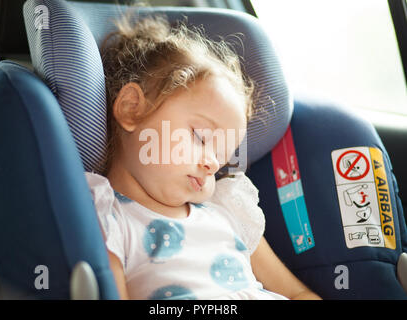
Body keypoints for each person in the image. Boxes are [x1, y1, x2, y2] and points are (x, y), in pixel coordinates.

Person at [85, 13, 321, 300]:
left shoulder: (227, 211)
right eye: (201, 137)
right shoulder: (108, 218)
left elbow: (297, 294)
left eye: (222, 156)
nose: (212, 164)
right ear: (132, 108)